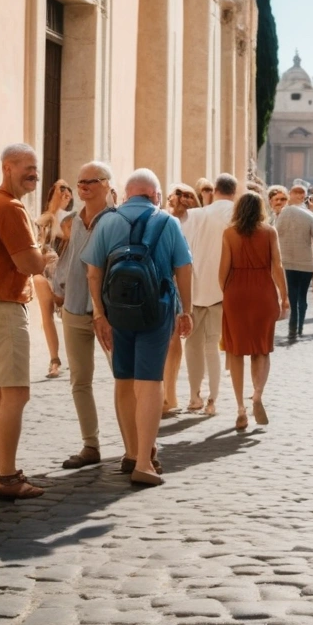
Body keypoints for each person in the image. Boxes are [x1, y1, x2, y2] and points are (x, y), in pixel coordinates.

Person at [83, 169, 193, 486]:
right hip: (156, 312)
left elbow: (93, 273)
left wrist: (100, 315)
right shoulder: (168, 222)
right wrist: (185, 309)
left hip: (116, 312)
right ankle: (145, 461)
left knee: (124, 380)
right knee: (149, 381)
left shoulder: (107, 221)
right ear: (155, 195)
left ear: (128, 194)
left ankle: (131, 452)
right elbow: (183, 270)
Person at [0, 144, 58, 499]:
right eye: (28, 168)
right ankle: (8, 476)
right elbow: (29, 264)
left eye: (36, 169)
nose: (35, 174)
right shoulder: (9, 208)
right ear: (7, 166)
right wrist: (46, 256)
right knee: (15, 393)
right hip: (2, 309)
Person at [51, 162, 115, 468]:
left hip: (110, 313)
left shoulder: (116, 220)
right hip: (75, 308)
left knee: (125, 378)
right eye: (80, 182)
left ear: (106, 184)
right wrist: (58, 287)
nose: (83, 186)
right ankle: (91, 445)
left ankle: (140, 448)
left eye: (90, 181)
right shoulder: (76, 221)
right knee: (80, 381)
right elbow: (70, 259)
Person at [219, 192, 289, 432]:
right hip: (263, 291)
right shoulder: (269, 232)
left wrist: (228, 294)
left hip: (236, 291)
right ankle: (257, 394)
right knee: (261, 348)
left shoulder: (229, 233)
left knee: (236, 351)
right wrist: (284, 296)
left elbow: (223, 271)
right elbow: (277, 265)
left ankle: (240, 408)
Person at [182, 173, 237, 415]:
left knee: (193, 345)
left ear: (214, 191)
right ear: (234, 192)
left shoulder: (195, 215)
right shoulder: (237, 215)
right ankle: (213, 399)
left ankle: (195, 395)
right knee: (212, 345)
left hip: (193, 288)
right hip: (223, 289)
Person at [163, 183, 200, 414]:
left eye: (186, 195)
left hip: (186, 282)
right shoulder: (165, 221)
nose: (179, 199)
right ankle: (168, 394)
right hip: (170, 282)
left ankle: (171, 394)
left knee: (175, 341)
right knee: (170, 342)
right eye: (176, 195)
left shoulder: (195, 221)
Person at [34, 179, 74, 378]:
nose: (64, 191)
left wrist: (56, 213)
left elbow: (66, 237)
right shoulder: (43, 218)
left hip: (62, 272)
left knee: (68, 315)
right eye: (60, 188)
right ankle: (54, 360)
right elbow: (36, 241)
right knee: (46, 314)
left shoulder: (68, 218)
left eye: (67, 189)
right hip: (42, 270)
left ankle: (74, 357)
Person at [274, 188, 313, 340]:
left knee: (292, 294)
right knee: (302, 296)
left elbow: (274, 236)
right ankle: (299, 326)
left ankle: (292, 326)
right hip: (305, 262)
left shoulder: (281, 216)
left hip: (286, 261)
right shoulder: (310, 216)